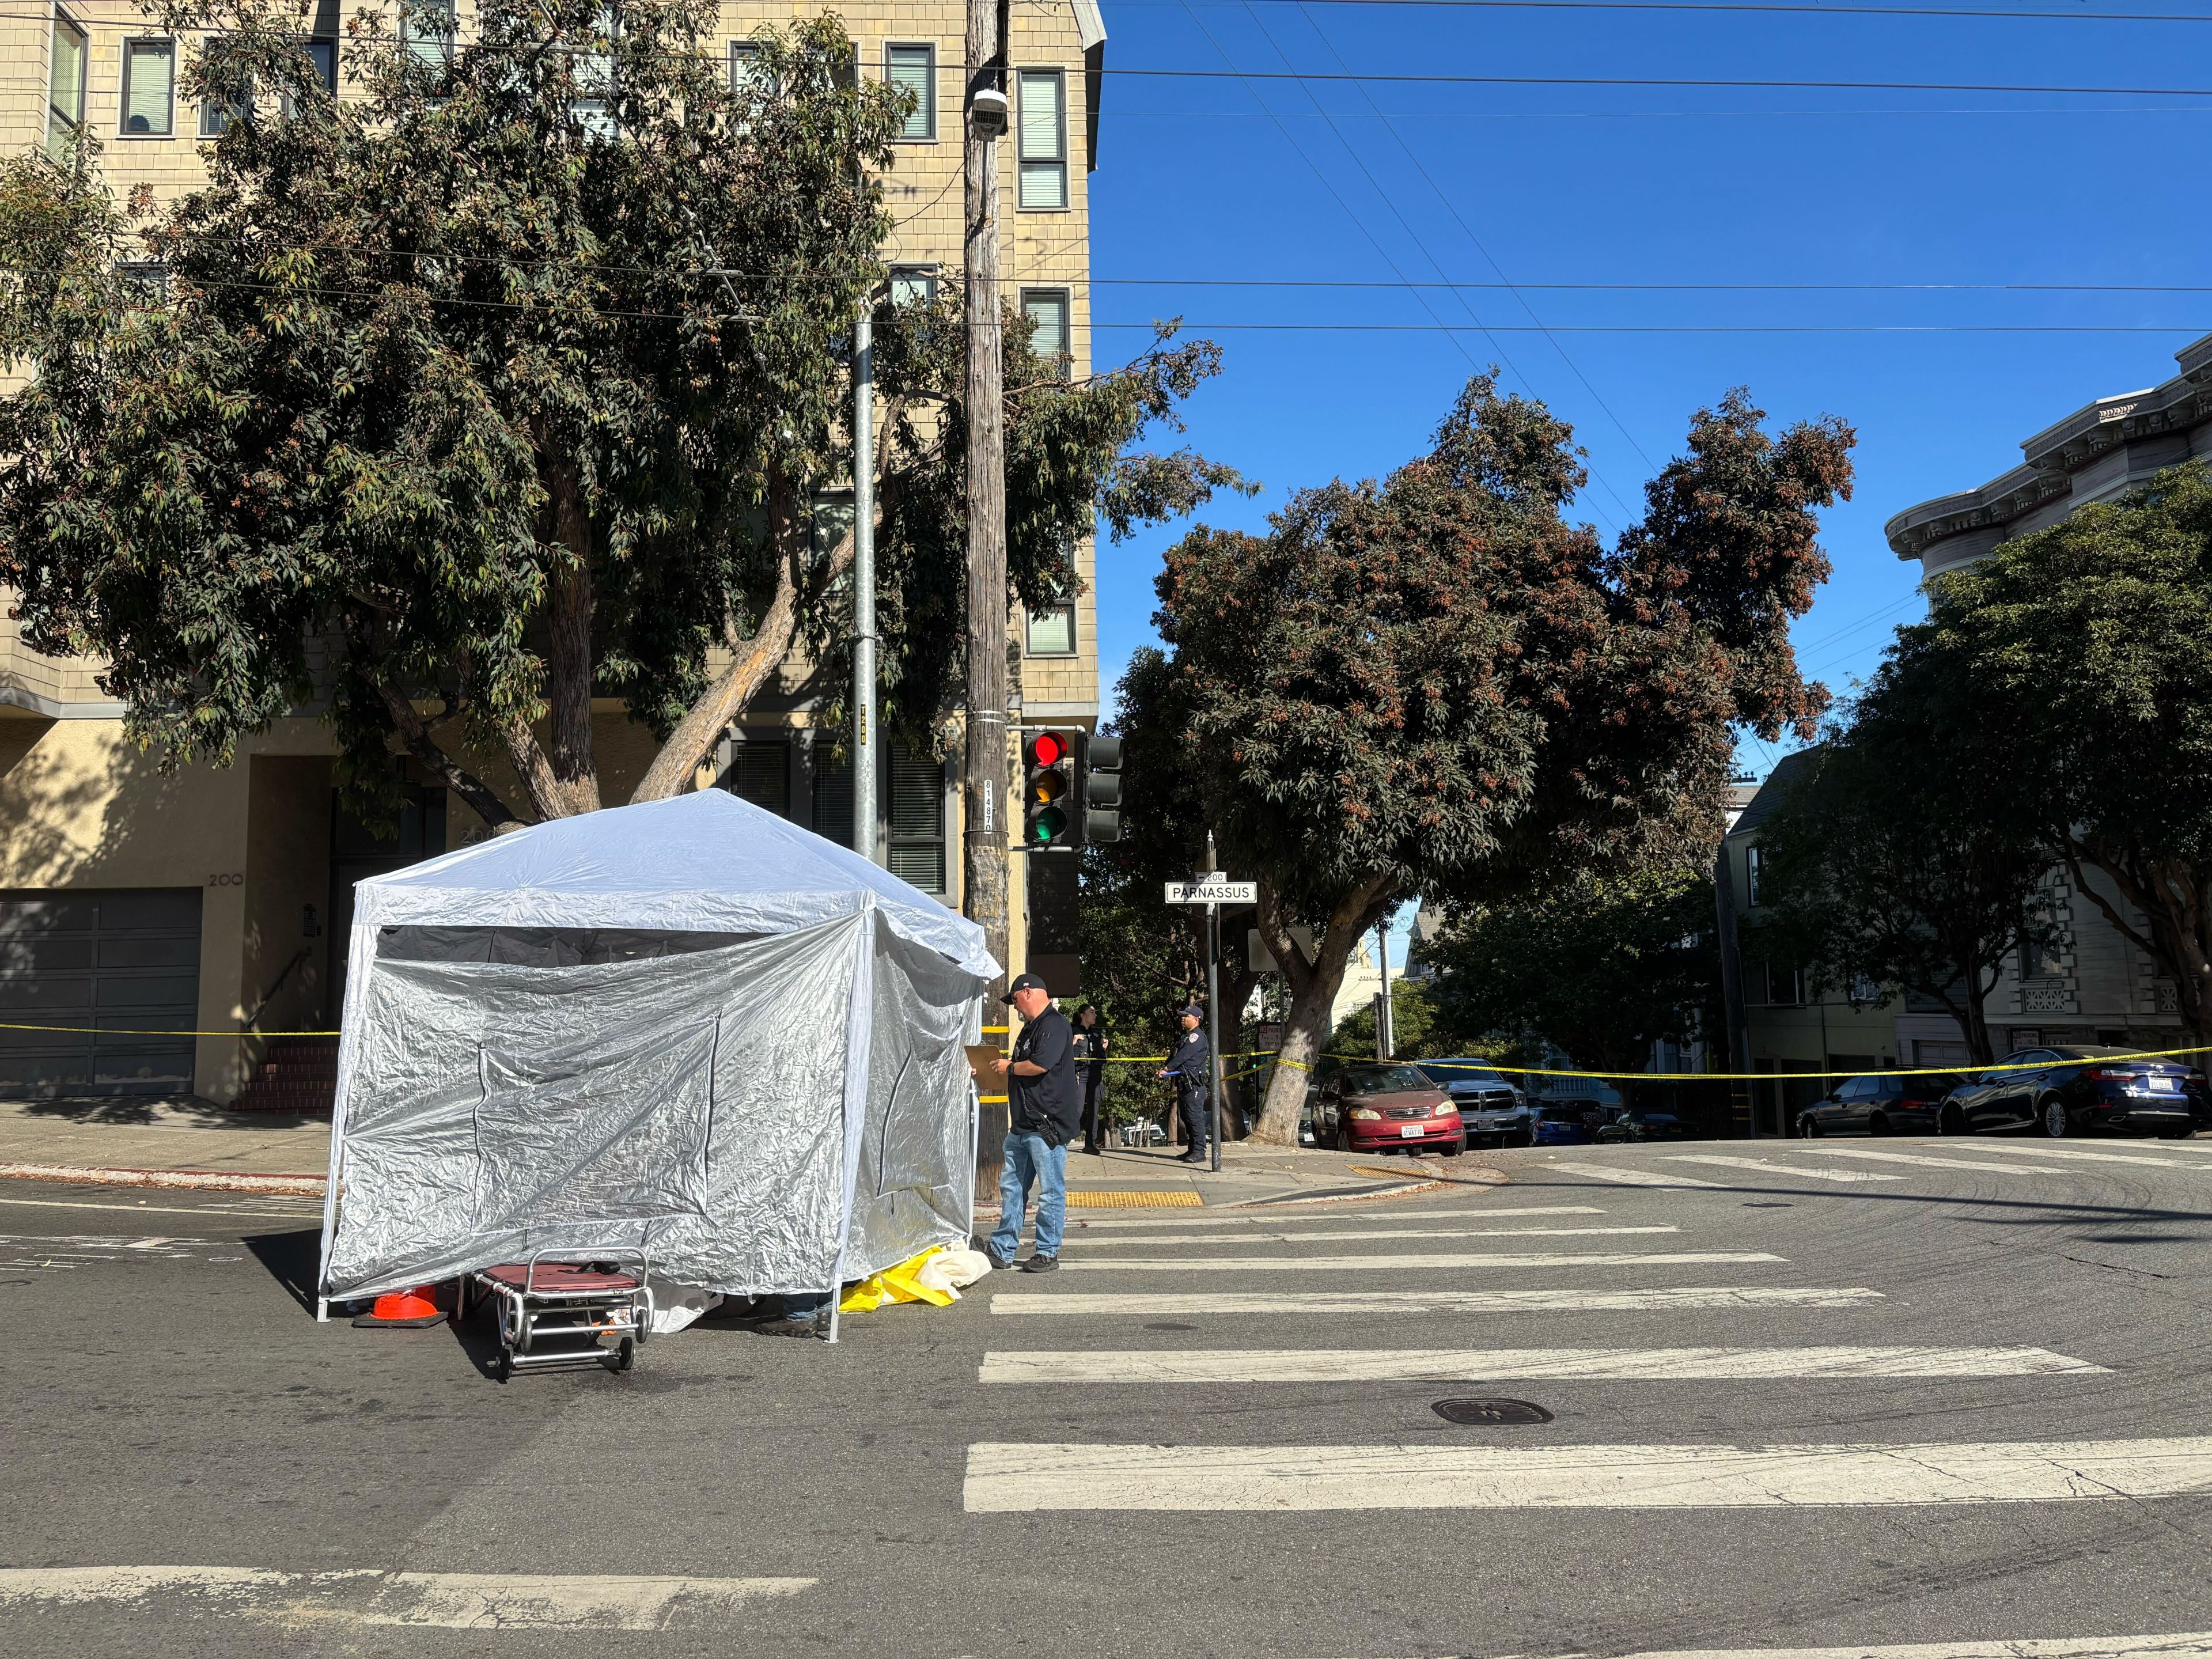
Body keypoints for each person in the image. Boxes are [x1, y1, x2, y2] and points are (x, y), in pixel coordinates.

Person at [986, 973, 1080, 1272]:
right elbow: (1021, 1069)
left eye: (1014, 1000)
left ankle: (1048, 1252)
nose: (1015, 1008)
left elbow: (1040, 1064)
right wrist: (995, 1070)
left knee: (1050, 1190)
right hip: (1024, 1126)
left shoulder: (1054, 1024)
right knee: (1012, 1188)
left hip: (1046, 1126)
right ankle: (1003, 1249)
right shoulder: (1029, 1029)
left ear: (1027, 993)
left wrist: (1009, 1067)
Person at [1158, 1005, 1213, 1165]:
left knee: (1195, 1117)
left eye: (1186, 1017)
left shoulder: (1197, 1037)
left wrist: (1167, 1069)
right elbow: (1174, 1055)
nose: (1183, 1019)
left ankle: (1199, 1151)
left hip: (1194, 1084)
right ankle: (1192, 1148)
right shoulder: (1185, 1037)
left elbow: (1183, 1056)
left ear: (1196, 1020)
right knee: (1186, 1117)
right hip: (1184, 1083)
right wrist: (1163, 1068)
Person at [1072, 1003, 1109, 1155]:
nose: (1095, 1015)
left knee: (1094, 1109)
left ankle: (1090, 1145)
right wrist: (1072, 1042)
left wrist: (1104, 1047)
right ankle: (1062, 1138)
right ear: (1083, 1015)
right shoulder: (1072, 1031)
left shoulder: (1097, 1034)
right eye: (1091, 1012)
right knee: (1078, 1109)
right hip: (1080, 1073)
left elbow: (1100, 1056)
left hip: (1095, 1073)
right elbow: (1062, 1052)